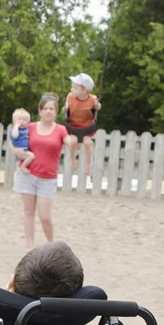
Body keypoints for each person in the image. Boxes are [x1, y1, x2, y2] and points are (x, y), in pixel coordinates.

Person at [10, 93, 75, 250]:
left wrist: (80, 132)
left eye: (51, 109)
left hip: (48, 178)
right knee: (28, 212)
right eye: (45, 108)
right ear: (39, 111)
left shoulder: (60, 130)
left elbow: (71, 143)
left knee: (45, 217)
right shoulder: (30, 127)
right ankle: (30, 248)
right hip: (28, 175)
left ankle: (50, 245)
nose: (48, 111)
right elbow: (13, 142)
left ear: (56, 111)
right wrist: (19, 152)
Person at [63, 73, 101, 186]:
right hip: (73, 125)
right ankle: (73, 159)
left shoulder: (92, 99)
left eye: (75, 87)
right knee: (73, 141)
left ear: (84, 90)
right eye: (72, 86)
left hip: (87, 126)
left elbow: (98, 106)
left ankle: (88, 166)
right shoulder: (70, 96)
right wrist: (65, 108)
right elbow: (66, 106)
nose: (71, 89)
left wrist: (98, 106)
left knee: (87, 143)